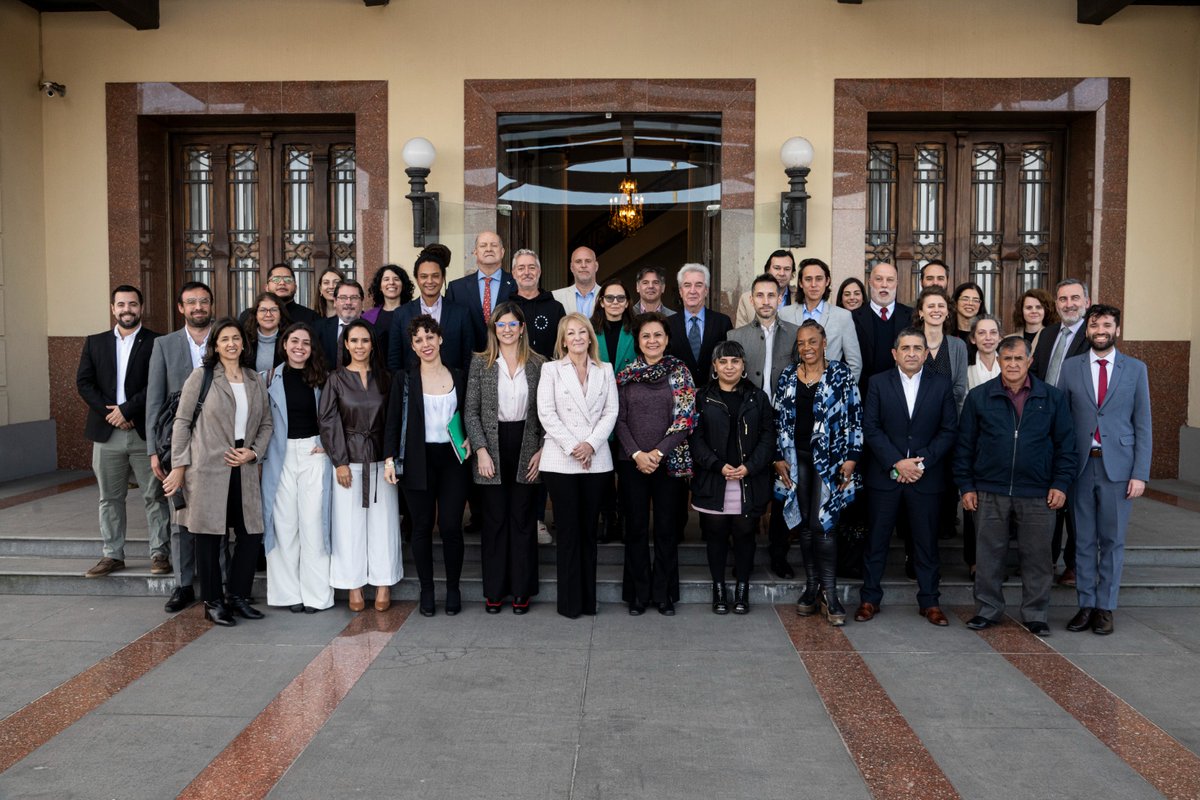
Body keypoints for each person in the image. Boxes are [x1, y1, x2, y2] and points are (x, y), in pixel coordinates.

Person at [955, 336, 1077, 637]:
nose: (1012, 364)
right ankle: (987, 610)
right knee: (988, 555)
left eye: (1018, 359)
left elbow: (1066, 447)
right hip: (989, 489)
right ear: (998, 360)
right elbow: (964, 447)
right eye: (1006, 358)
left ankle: (1035, 614)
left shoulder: (1052, 398)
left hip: (1037, 492)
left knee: (1037, 557)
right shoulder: (979, 397)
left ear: (1029, 361)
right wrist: (966, 486)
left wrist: (1060, 484)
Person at [161, 318, 273, 627]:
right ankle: (212, 602)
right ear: (215, 345)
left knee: (251, 534)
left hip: (244, 466)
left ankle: (238, 596)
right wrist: (179, 467)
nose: (231, 344)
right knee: (209, 536)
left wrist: (254, 452)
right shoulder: (202, 377)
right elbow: (182, 423)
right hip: (209, 467)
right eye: (224, 339)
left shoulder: (254, 379)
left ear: (243, 343)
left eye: (236, 338)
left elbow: (266, 423)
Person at [855, 328, 958, 626]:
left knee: (926, 543)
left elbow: (949, 429)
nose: (912, 353)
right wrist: (898, 463)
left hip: (925, 478)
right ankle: (869, 599)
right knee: (876, 542)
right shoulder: (877, 383)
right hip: (885, 477)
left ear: (926, 354)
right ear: (895, 353)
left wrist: (919, 464)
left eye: (917, 348)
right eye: (906, 348)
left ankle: (930, 601)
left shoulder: (940, 385)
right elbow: (870, 428)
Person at [1060, 304, 1151, 636]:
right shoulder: (1071, 369)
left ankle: (1105, 607)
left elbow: (1143, 424)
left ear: (1117, 330)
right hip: (1081, 467)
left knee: (1112, 541)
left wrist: (1140, 473)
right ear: (1087, 330)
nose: (1100, 329)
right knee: (1082, 539)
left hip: (1120, 469)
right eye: (1095, 324)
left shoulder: (1136, 369)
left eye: (1107, 324)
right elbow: (1062, 421)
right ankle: (1085, 605)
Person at [76, 285, 170, 579]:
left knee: (154, 496)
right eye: (121, 304)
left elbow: (159, 385)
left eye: (132, 304)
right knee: (110, 497)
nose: (127, 309)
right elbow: (84, 383)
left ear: (141, 308)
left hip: (144, 431)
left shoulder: (158, 342)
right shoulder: (95, 343)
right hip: (107, 433)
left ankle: (160, 552)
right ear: (113, 308)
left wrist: (127, 410)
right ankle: (112, 554)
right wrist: (111, 414)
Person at [774, 320, 862, 626]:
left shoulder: (841, 374)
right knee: (807, 526)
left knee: (824, 524)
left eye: (812, 341)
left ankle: (831, 592)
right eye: (801, 343)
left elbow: (855, 417)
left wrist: (851, 458)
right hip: (795, 460)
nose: (807, 348)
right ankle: (811, 588)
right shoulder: (788, 375)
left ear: (824, 342)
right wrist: (777, 458)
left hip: (830, 461)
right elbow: (778, 418)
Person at [384, 315, 469, 617]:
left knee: (450, 526)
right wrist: (389, 459)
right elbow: (392, 422)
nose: (425, 344)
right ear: (413, 346)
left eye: (430, 337)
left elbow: (469, 415)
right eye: (418, 340)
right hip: (417, 460)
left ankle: (454, 588)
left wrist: (470, 438)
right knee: (421, 527)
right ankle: (427, 589)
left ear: (440, 339)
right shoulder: (404, 379)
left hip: (452, 461)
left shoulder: (459, 375)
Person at [464, 303, 545, 614]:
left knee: (523, 520)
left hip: (527, 443)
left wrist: (541, 448)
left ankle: (522, 592)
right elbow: (470, 411)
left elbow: (546, 411)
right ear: (493, 329)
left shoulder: (539, 363)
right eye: (501, 325)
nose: (507, 330)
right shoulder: (480, 363)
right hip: (492, 447)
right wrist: (481, 449)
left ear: (522, 328)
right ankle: (495, 592)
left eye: (513, 325)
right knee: (495, 520)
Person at [615, 312, 698, 616]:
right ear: (638, 340)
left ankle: (664, 595)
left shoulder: (680, 372)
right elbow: (619, 420)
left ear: (667, 339)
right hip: (631, 463)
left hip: (668, 463)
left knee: (665, 529)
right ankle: (637, 595)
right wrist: (638, 454)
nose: (652, 341)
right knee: (635, 529)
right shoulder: (625, 374)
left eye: (658, 335)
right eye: (646, 336)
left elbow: (685, 421)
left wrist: (658, 453)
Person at [537, 313, 619, 618]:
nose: (577, 337)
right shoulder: (551, 370)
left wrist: (591, 445)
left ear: (590, 337)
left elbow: (611, 412)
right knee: (569, 532)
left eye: (582, 332)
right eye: (570, 333)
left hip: (596, 461)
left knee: (589, 532)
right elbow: (546, 413)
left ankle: (588, 599)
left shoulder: (605, 369)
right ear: (563, 340)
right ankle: (569, 602)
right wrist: (575, 446)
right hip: (561, 461)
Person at [320, 320, 401, 613]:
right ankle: (353, 585)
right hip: (349, 461)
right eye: (354, 340)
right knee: (349, 527)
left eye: (365, 340)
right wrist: (339, 461)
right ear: (345, 344)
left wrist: (392, 456)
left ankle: (383, 583)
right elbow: (329, 422)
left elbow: (394, 420)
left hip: (381, 461)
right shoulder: (336, 379)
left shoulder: (386, 378)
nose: (359, 346)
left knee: (383, 525)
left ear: (372, 344)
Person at [690, 341, 776, 615]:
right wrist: (717, 465)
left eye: (735, 362)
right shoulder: (702, 397)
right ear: (714, 366)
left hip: (747, 479)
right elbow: (694, 438)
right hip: (714, 478)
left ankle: (742, 587)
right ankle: (718, 588)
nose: (729, 367)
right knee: (715, 535)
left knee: (744, 533)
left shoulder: (758, 398)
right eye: (723, 362)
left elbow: (768, 436)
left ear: (743, 366)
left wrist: (750, 467)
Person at [146, 280, 215, 613]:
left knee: (217, 516)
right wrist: (153, 451)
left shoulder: (226, 337)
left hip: (217, 444)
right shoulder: (164, 345)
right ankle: (183, 585)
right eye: (191, 302)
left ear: (211, 305)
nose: (198, 307)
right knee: (181, 516)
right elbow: (155, 399)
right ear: (180, 308)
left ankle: (219, 583)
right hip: (177, 444)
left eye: (203, 301)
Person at [261, 322, 333, 613]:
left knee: (314, 524)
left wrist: (327, 443)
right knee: (284, 524)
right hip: (280, 455)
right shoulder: (267, 378)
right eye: (294, 341)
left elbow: (335, 416)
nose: (299, 347)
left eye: (305, 342)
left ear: (312, 348)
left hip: (314, 452)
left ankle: (316, 595)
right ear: (285, 344)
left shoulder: (324, 379)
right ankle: (288, 594)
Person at [1030, 277, 1092, 586]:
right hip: (1045, 427)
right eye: (1063, 299)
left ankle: (1074, 564)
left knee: (1075, 502)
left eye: (1075, 298)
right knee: (1047, 497)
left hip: (1078, 426)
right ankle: (1046, 561)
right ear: (1057, 304)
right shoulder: (1048, 334)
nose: (1069, 304)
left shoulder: (1094, 334)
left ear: (1086, 302)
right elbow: (1038, 376)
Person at [591, 278, 636, 545]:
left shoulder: (637, 328)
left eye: (620, 298)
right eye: (610, 298)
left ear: (628, 302)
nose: (615, 303)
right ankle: (608, 519)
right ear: (601, 301)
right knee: (603, 469)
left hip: (630, 406)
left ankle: (623, 517)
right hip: (597, 406)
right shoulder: (590, 329)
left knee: (625, 466)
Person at [962, 314, 1003, 577]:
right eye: (982, 333)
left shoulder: (1010, 365)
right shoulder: (966, 370)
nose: (987, 338)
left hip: (1005, 443)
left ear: (1000, 336)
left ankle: (998, 562)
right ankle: (974, 560)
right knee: (972, 504)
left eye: (992, 333)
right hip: (975, 443)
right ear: (973, 338)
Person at [387, 244, 473, 371]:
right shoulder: (401, 314)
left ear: (443, 278)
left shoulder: (461, 313)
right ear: (416, 279)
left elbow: (468, 359)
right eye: (424, 276)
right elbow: (394, 360)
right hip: (414, 387)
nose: (430, 281)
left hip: (453, 387)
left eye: (435, 275)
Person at [779, 258, 862, 381]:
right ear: (801, 283)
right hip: (793, 389)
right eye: (808, 279)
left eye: (819, 279)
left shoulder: (843, 316)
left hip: (830, 390)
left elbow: (854, 363)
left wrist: (840, 391)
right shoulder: (784, 314)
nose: (813, 285)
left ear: (827, 281)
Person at [730, 274, 797, 405]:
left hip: (785, 411)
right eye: (760, 295)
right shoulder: (734, 337)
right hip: (747, 411)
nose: (766, 302)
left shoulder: (795, 334)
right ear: (751, 300)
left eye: (771, 295)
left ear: (779, 299)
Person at [446, 230, 517, 351]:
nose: (489, 249)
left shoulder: (516, 284)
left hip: (509, 358)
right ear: (475, 252)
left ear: (502, 252)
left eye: (494, 245)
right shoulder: (457, 288)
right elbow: (450, 329)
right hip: (469, 360)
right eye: (483, 245)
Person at [666, 263, 733, 389]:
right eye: (687, 285)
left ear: (706, 290)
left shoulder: (722, 322)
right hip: (677, 395)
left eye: (698, 285)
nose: (692, 291)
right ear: (680, 291)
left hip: (714, 396)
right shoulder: (667, 324)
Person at [852, 262, 913, 397]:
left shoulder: (911, 316)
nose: (884, 285)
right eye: (879, 279)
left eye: (890, 280)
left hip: (903, 394)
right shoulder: (853, 318)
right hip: (864, 394)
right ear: (870, 282)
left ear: (896, 283)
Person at [913, 287, 968, 414]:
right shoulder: (910, 344)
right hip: (915, 419)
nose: (936, 310)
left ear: (947, 311)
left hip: (950, 420)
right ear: (921, 312)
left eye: (941, 306)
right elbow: (904, 383)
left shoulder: (958, 346)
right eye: (931, 306)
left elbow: (960, 390)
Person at [509, 248, 566, 359]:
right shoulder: (506, 308)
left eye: (531, 267)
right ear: (514, 273)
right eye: (521, 268)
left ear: (539, 272)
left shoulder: (556, 308)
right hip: (514, 373)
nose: (527, 273)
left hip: (549, 372)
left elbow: (563, 345)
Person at [240, 263, 320, 327]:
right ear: (266, 287)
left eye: (288, 279)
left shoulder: (311, 317)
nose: (282, 283)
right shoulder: (248, 316)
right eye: (276, 279)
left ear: (295, 287)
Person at [363, 263, 415, 360]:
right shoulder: (367, 317)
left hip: (408, 371)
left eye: (396, 279)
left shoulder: (413, 314)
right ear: (379, 286)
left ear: (403, 285)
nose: (391, 282)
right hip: (377, 371)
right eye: (386, 279)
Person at [316, 279, 370, 369]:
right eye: (343, 298)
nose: (348, 302)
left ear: (362, 301)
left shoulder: (373, 330)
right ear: (335, 301)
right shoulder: (318, 328)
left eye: (354, 298)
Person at [735, 250, 796, 326]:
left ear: (792, 273)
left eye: (787, 269)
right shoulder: (746, 299)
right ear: (767, 270)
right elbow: (740, 334)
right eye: (777, 268)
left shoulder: (800, 297)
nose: (782, 273)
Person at [244, 291, 287, 377]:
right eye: (263, 310)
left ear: (280, 314)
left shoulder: (289, 339)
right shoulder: (245, 339)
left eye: (273, 310)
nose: (268, 315)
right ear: (256, 314)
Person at [552, 246, 601, 318]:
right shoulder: (555, 297)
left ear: (596, 266)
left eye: (588, 261)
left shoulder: (608, 296)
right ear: (572, 267)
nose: (583, 265)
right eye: (578, 261)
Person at [950, 281, 987, 351]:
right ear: (955, 302)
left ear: (980, 305)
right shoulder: (946, 333)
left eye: (975, 300)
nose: (970, 303)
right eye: (965, 299)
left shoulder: (987, 334)